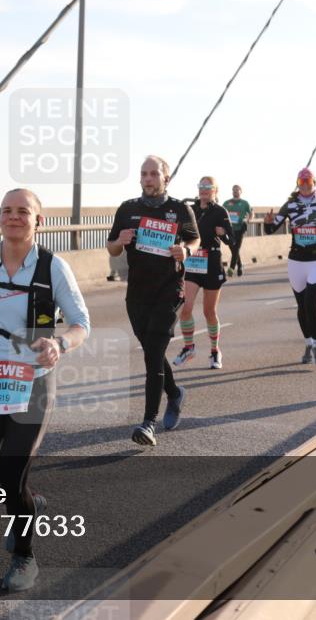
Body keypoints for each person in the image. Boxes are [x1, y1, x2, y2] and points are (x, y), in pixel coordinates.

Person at [0, 188, 90, 592]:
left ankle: (24, 556)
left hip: (34, 382)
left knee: (11, 474)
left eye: (23, 211)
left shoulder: (53, 267)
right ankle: (30, 503)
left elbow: (81, 323)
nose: (14, 217)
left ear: (38, 221)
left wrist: (59, 343)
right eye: (7, 210)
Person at [107, 155, 200, 447]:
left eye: (154, 174)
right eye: (144, 174)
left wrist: (186, 250)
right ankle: (174, 393)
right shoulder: (127, 209)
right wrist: (120, 240)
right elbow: (112, 248)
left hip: (169, 290)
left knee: (154, 350)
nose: (148, 178)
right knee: (151, 349)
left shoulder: (180, 209)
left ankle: (149, 422)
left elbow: (194, 239)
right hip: (137, 293)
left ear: (165, 178)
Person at [263, 168, 316, 367]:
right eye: (301, 182)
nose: (305, 186)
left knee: (311, 303)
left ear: (314, 183)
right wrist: (267, 223)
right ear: (297, 184)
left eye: (308, 182)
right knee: (301, 306)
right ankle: (308, 343)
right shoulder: (290, 205)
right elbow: (270, 230)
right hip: (296, 261)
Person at [175, 177, 233, 369]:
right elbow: (181, 230)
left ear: (215, 190)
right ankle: (188, 347)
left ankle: (215, 351)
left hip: (212, 263)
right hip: (193, 262)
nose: (204, 189)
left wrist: (223, 234)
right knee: (185, 308)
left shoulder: (220, 211)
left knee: (209, 311)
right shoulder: (191, 209)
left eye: (208, 186)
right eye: (201, 186)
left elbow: (232, 239)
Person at [223, 184, 252, 277]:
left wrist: (247, 220)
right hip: (229, 229)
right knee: (233, 249)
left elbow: (251, 213)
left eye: (237, 190)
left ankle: (231, 268)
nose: (235, 191)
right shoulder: (226, 203)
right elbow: (221, 213)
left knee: (236, 249)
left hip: (240, 229)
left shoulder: (245, 203)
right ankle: (239, 265)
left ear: (241, 191)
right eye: (234, 190)